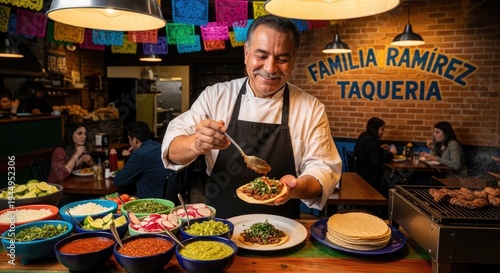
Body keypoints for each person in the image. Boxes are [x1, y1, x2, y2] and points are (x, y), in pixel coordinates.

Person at [161, 14, 342, 219]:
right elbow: (172, 150)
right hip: (221, 224)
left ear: (293, 61)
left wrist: (296, 187)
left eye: (282, 59)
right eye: (262, 56)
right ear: (246, 53)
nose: (270, 68)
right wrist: (196, 143)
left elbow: (324, 170)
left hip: (284, 228)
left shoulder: (311, 108)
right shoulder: (215, 96)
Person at [113, 121, 172, 198]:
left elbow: (118, 181)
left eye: (129, 139)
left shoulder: (139, 155)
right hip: (170, 196)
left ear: (135, 140)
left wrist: (128, 157)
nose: (130, 143)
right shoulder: (160, 146)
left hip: (152, 201)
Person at [353, 117, 397, 197]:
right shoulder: (370, 140)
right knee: (394, 178)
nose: (383, 132)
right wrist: (391, 153)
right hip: (368, 177)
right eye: (382, 129)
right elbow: (376, 161)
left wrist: (379, 148)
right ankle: (384, 203)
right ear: (375, 129)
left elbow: (368, 152)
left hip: (360, 173)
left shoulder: (364, 135)